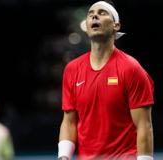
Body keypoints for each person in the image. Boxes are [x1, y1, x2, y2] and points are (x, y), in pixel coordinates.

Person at [58, 1, 154, 160]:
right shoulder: (72, 70)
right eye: (90, 14)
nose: (94, 15)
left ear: (116, 26)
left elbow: (144, 126)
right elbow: (69, 122)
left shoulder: (131, 69)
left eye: (102, 13)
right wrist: (63, 156)